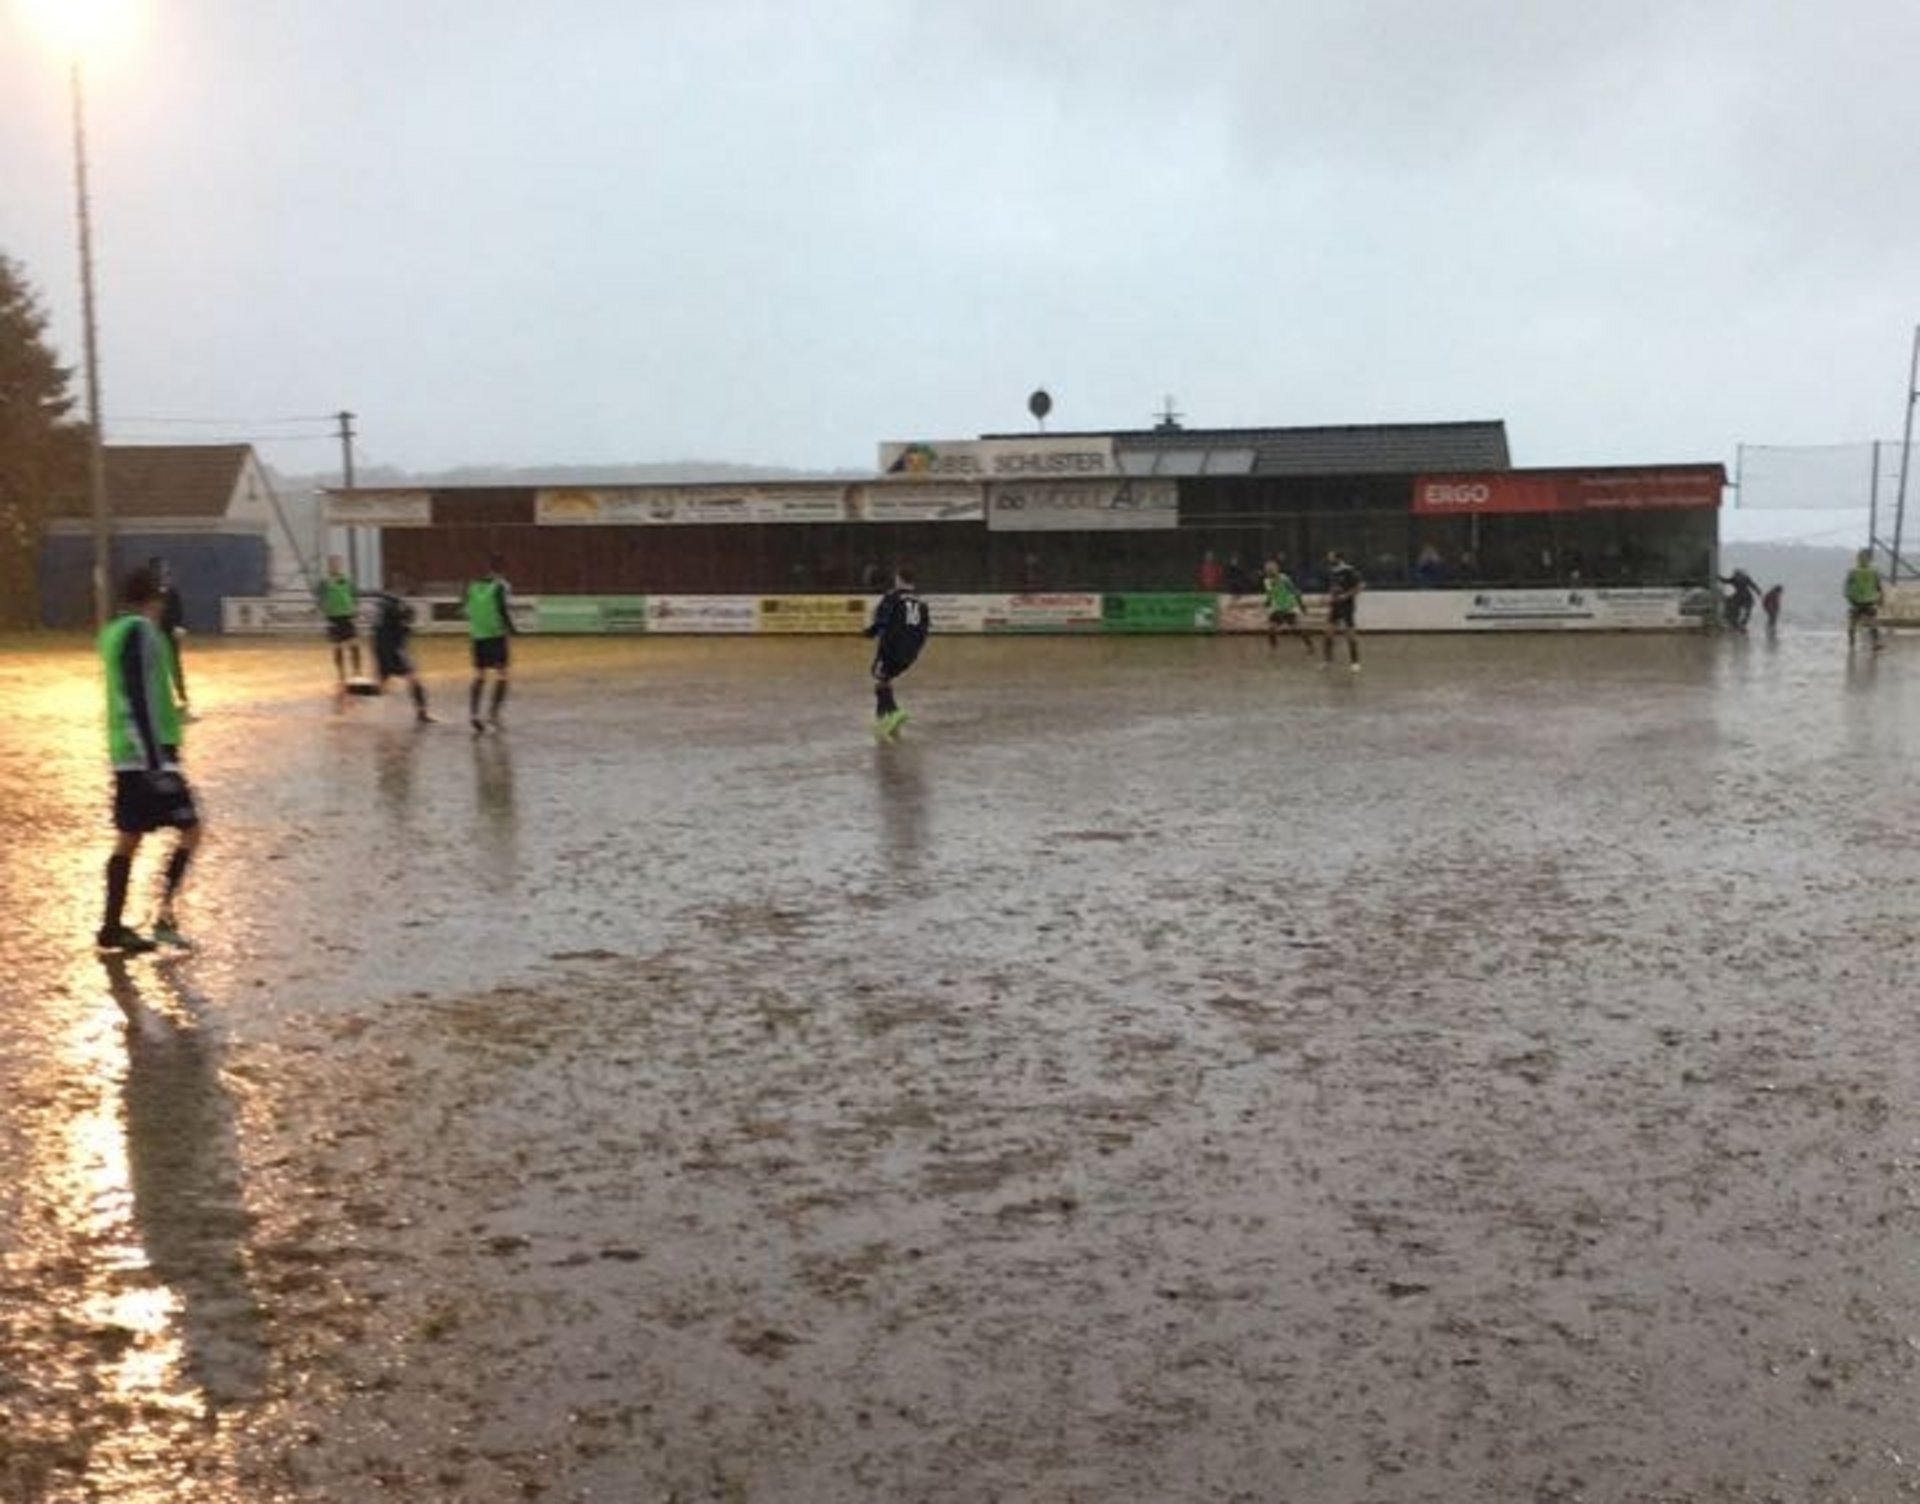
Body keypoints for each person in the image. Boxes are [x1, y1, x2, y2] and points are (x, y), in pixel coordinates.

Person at [96, 564, 203, 953]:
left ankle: (111, 928)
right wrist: (156, 761)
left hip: (128, 754)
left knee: (129, 838)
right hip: (149, 754)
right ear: (154, 598)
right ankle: (164, 915)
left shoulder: (113, 632)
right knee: (191, 829)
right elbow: (137, 693)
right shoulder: (140, 632)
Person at [864, 564, 930, 740]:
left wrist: (869, 633)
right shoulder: (921, 602)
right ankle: (883, 720)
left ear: (898, 579)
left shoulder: (892, 597)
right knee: (883, 681)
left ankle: (894, 712)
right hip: (911, 652)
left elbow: (882, 620)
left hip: (892, 648)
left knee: (879, 678)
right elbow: (924, 630)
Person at [369, 574, 436, 723]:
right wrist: (407, 627)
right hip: (391, 650)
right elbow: (400, 626)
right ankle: (422, 713)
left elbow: (381, 628)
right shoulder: (395, 604)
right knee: (413, 677)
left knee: (381, 689)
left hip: (380, 648)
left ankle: (347, 690)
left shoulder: (382, 602)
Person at [463, 554, 519, 732]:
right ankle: (493, 714)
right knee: (502, 674)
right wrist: (512, 628)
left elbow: (464, 608)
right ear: (504, 569)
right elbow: (502, 609)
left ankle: (474, 714)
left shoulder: (472, 585)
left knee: (479, 675)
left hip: (477, 636)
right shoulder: (501, 586)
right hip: (496, 635)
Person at [149, 556, 191, 718]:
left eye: (165, 569)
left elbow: (178, 609)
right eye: (161, 569)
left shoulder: (171, 590)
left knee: (174, 664)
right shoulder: (148, 592)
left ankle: (181, 695)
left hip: (169, 633)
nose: (164, 573)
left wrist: (179, 626)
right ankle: (156, 698)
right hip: (153, 633)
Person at [315, 555, 362, 683]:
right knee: (338, 646)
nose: (335, 566)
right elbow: (319, 597)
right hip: (333, 618)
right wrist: (323, 608)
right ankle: (341, 675)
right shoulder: (324, 582)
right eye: (332, 564)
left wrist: (355, 608)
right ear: (329, 566)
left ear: (340, 565)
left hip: (347, 617)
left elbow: (354, 595)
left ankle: (357, 672)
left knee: (354, 644)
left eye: (337, 563)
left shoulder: (347, 580)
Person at [1261, 558, 1316, 656]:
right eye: (1267, 569)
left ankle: (1310, 645)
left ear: (1277, 569)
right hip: (1277, 608)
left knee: (1297, 629)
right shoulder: (1267, 581)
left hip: (1288, 608)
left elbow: (1296, 591)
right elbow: (1270, 594)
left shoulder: (1284, 578)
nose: (1269, 571)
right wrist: (1266, 603)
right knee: (1271, 629)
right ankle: (1273, 648)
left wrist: (1301, 605)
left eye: (1271, 568)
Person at [1321, 550, 1364, 672]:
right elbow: (1333, 588)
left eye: (1331, 557)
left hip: (1347, 606)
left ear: (1338, 558)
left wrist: (1346, 596)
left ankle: (1355, 662)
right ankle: (1327, 661)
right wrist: (1327, 597)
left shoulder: (1349, 570)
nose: (1329, 560)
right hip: (1335, 606)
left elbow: (1360, 586)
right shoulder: (1332, 571)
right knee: (1328, 633)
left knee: (1350, 635)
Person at [1845, 548, 1884, 653]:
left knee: (1873, 623)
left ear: (1869, 559)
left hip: (1869, 601)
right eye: (1860, 557)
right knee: (1852, 623)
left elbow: (1878, 586)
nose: (1862, 559)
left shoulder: (1873, 571)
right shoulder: (1853, 571)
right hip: (1856, 601)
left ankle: (1875, 644)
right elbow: (1847, 585)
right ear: (1857, 558)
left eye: (1865, 557)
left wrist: (1881, 598)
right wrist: (1849, 596)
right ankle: (1851, 645)